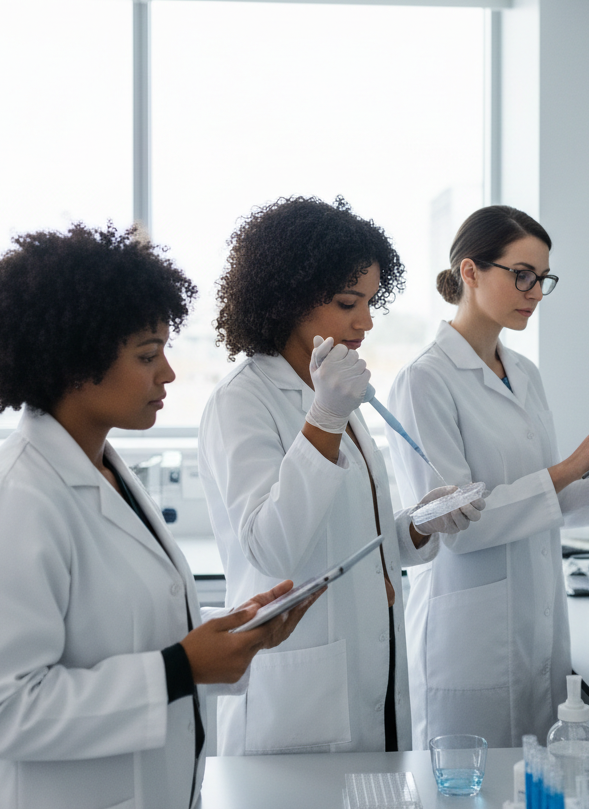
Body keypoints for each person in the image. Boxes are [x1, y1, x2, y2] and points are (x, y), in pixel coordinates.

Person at [0, 224, 315, 809]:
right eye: (148, 356)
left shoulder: (107, 472)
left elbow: (128, 633)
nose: (168, 375)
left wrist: (226, 636)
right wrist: (181, 667)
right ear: (73, 363)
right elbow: (1, 712)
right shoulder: (9, 502)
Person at [199, 196, 482, 756]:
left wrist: (423, 524)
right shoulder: (245, 400)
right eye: (348, 302)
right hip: (299, 698)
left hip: (368, 668)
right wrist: (324, 419)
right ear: (287, 298)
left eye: (371, 302)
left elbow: (358, 542)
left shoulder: (334, 392)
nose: (366, 321)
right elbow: (273, 547)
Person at [386, 205, 589, 749]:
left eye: (542, 278)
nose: (535, 291)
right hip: (467, 643)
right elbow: (453, 524)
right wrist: (571, 466)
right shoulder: (423, 383)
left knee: (532, 796)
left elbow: (540, 497)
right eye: (521, 274)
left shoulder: (524, 372)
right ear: (470, 272)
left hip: (536, 627)